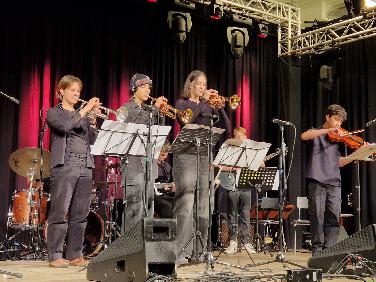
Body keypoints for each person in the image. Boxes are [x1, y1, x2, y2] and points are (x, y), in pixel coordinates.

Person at [173, 70, 231, 263]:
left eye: (205, 84)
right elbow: (187, 120)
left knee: (205, 207)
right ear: (190, 85)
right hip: (186, 157)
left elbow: (227, 130)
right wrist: (202, 102)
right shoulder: (182, 103)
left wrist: (221, 108)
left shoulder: (209, 107)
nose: (203, 87)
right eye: (199, 83)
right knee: (186, 205)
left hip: (206, 158)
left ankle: (201, 250)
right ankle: (182, 251)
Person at [46, 75, 101, 268]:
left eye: (78, 91)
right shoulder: (53, 112)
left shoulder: (83, 117)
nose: (77, 94)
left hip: (86, 165)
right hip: (64, 165)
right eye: (72, 90)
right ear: (61, 91)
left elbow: (93, 140)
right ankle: (55, 255)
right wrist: (85, 110)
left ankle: (75, 253)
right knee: (60, 212)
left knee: (80, 214)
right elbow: (65, 127)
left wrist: (92, 121)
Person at [301, 104, 357, 255]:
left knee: (333, 217)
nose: (339, 124)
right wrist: (328, 130)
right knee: (317, 216)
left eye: (341, 121)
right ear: (327, 117)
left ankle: (329, 251)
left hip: (334, 181)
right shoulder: (316, 133)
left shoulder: (339, 139)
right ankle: (317, 250)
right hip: (317, 179)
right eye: (336, 119)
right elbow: (304, 136)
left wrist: (354, 156)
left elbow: (338, 162)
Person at [119, 73, 167, 233]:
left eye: (149, 87)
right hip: (132, 165)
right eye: (144, 87)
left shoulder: (149, 110)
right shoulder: (126, 108)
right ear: (135, 88)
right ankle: (128, 249)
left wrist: (160, 114)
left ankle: (143, 249)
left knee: (149, 209)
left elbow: (159, 132)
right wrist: (155, 109)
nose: (148, 90)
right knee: (134, 208)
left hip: (148, 165)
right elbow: (133, 124)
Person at [217, 127, 256, 254]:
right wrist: (233, 167)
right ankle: (233, 242)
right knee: (232, 214)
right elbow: (220, 166)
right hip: (232, 184)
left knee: (245, 215)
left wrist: (253, 162)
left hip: (245, 185)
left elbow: (262, 165)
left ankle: (246, 242)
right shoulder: (229, 149)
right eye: (236, 136)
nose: (239, 138)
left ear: (245, 137)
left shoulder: (251, 149)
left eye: (241, 136)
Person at [154, 141, 175, 218]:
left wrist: (171, 187)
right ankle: (164, 229)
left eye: (166, 153)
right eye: (162, 153)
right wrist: (162, 186)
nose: (164, 156)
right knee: (166, 207)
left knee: (179, 202)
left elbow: (170, 183)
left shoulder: (166, 166)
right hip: (153, 195)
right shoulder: (151, 165)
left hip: (165, 194)